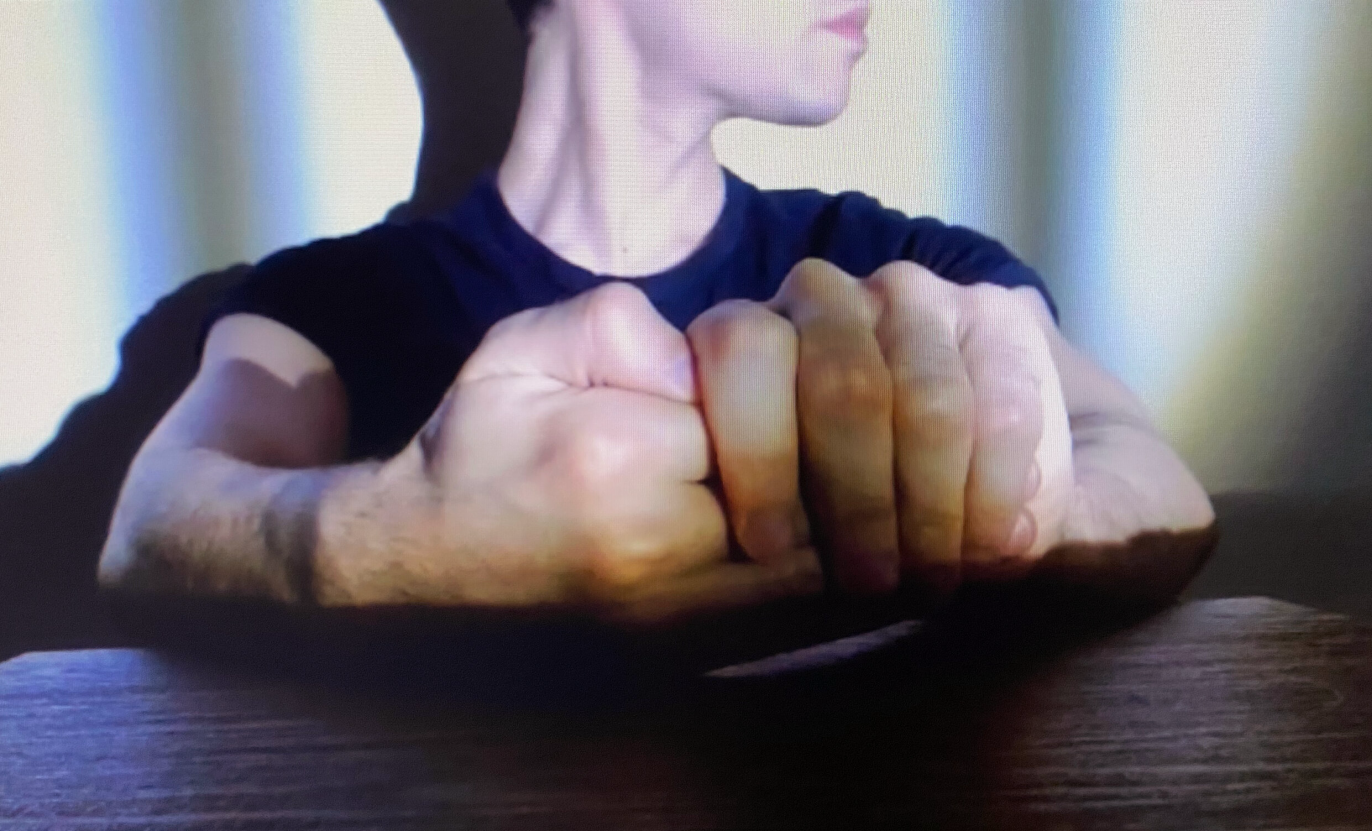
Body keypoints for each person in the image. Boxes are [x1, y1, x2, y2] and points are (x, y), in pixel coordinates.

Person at [97, 0, 1216, 640]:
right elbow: (155, 516)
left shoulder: (902, 267)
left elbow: (1152, 476)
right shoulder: (327, 301)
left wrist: (990, 494)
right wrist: (402, 542)